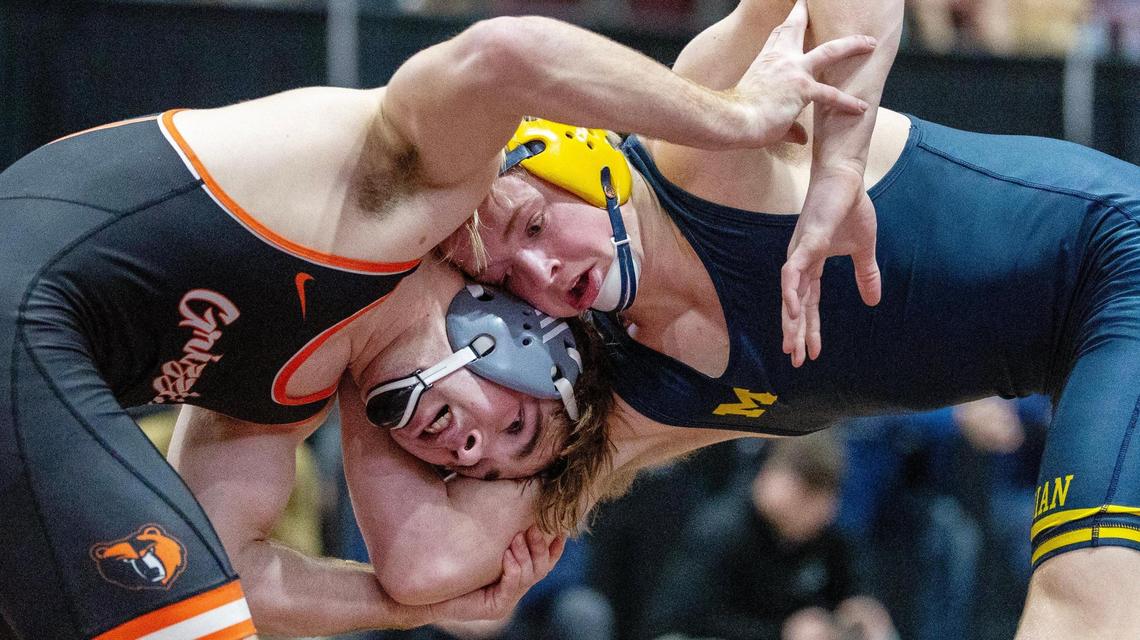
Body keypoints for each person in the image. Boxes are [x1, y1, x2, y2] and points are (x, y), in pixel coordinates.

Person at [0, 11, 879, 640]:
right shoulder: (408, 201)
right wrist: (735, 119)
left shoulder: (284, 389)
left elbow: (233, 571)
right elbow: (507, 53)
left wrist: (413, 607)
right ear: (513, 330)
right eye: (513, 426)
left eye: (471, 468)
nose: (463, 450)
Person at [442, 0, 1140, 636]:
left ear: (577, 150)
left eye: (535, 225)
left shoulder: (688, 147)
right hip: (1066, 359)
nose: (541, 272)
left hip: (1114, 265)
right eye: (505, 278)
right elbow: (429, 563)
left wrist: (840, 165)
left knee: (1081, 604)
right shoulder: (641, 395)